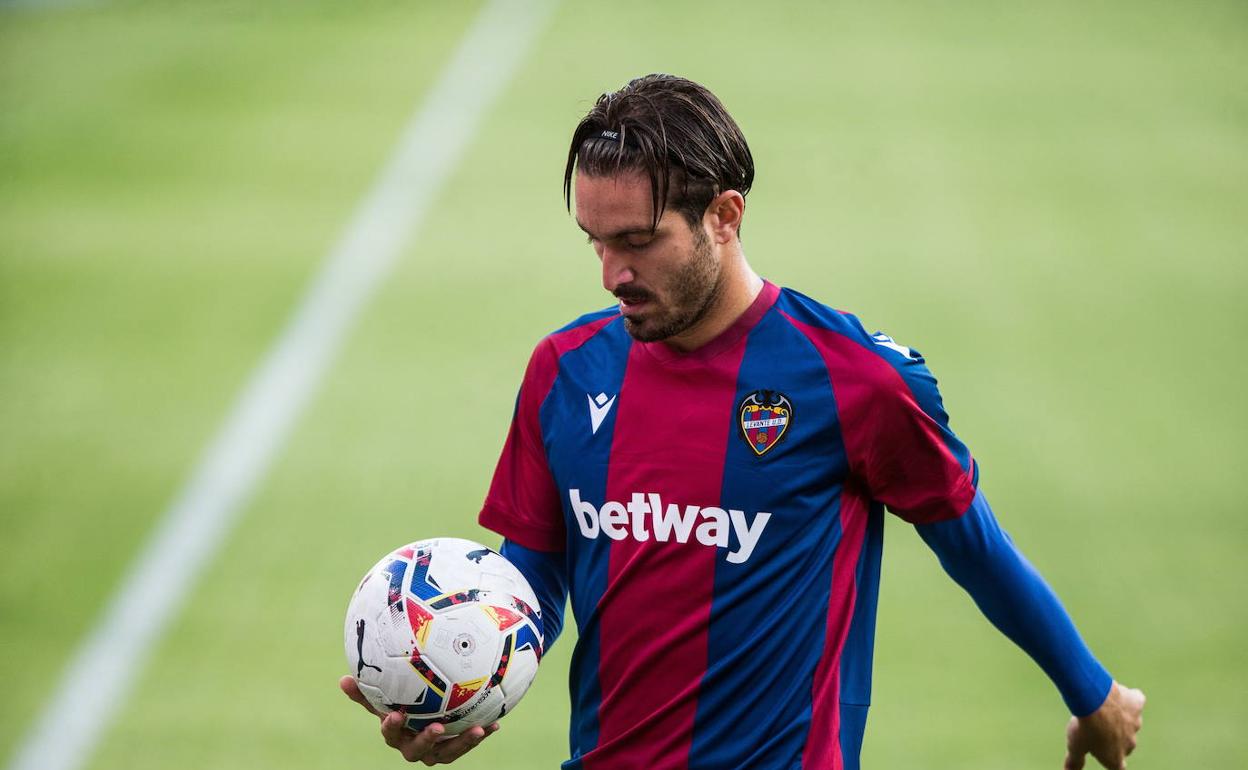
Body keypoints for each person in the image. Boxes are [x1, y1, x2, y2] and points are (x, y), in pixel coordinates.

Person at [340, 74, 1145, 769]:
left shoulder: (853, 380)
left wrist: (1091, 690)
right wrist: (470, 680)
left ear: (724, 215)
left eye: (638, 241)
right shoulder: (565, 370)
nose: (613, 273)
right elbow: (533, 581)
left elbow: (973, 544)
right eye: (593, 242)